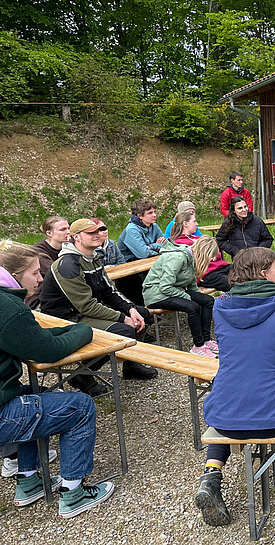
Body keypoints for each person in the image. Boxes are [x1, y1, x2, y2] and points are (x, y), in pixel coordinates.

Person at [196, 247, 275, 526]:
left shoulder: (220, 305)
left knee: (229, 410)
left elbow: (257, 341)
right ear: (265, 273)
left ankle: (210, 476)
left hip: (228, 418)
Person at [0, 239, 114, 517]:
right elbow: (49, 351)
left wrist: (65, 332)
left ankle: (28, 483)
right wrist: (85, 330)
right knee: (80, 407)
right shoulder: (9, 309)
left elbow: (32, 340)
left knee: (29, 398)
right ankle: (73, 492)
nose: (40, 279)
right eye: (35, 273)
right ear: (14, 276)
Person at [39, 218, 158, 394]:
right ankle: (82, 375)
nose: (97, 235)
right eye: (91, 232)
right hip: (65, 317)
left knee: (143, 314)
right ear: (76, 237)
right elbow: (86, 306)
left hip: (84, 310)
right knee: (124, 329)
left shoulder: (92, 258)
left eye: (99, 231)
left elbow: (109, 292)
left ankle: (131, 364)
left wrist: (130, 309)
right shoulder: (67, 264)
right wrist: (123, 318)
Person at [142, 236, 217, 357]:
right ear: (204, 253)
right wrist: (186, 296)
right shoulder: (177, 258)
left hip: (172, 291)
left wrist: (196, 295)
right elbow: (165, 287)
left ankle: (206, 340)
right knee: (192, 307)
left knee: (208, 300)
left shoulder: (191, 257)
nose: (211, 260)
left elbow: (191, 283)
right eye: (211, 257)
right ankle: (198, 346)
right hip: (156, 294)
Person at [116, 199, 166, 305]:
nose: (154, 215)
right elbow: (143, 253)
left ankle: (164, 299)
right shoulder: (132, 229)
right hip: (128, 267)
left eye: (154, 212)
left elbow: (167, 245)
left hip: (146, 263)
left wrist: (152, 246)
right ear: (140, 216)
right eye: (150, 213)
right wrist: (156, 248)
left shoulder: (154, 226)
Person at [172, 211, 231, 292]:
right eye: (194, 221)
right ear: (185, 224)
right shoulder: (179, 243)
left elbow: (216, 253)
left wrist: (213, 255)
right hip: (208, 273)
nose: (197, 224)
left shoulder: (197, 238)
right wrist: (209, 255)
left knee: (246, 275)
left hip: (221, 266)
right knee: (234, 284)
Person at [25, 216, 70, 308]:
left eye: (69, 228)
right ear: (49, 233)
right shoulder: (38, 251)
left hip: (64, 293)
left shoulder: (68, 246)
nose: (68, 232)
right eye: (63, 229)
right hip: (41, 300)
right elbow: (59, 273)